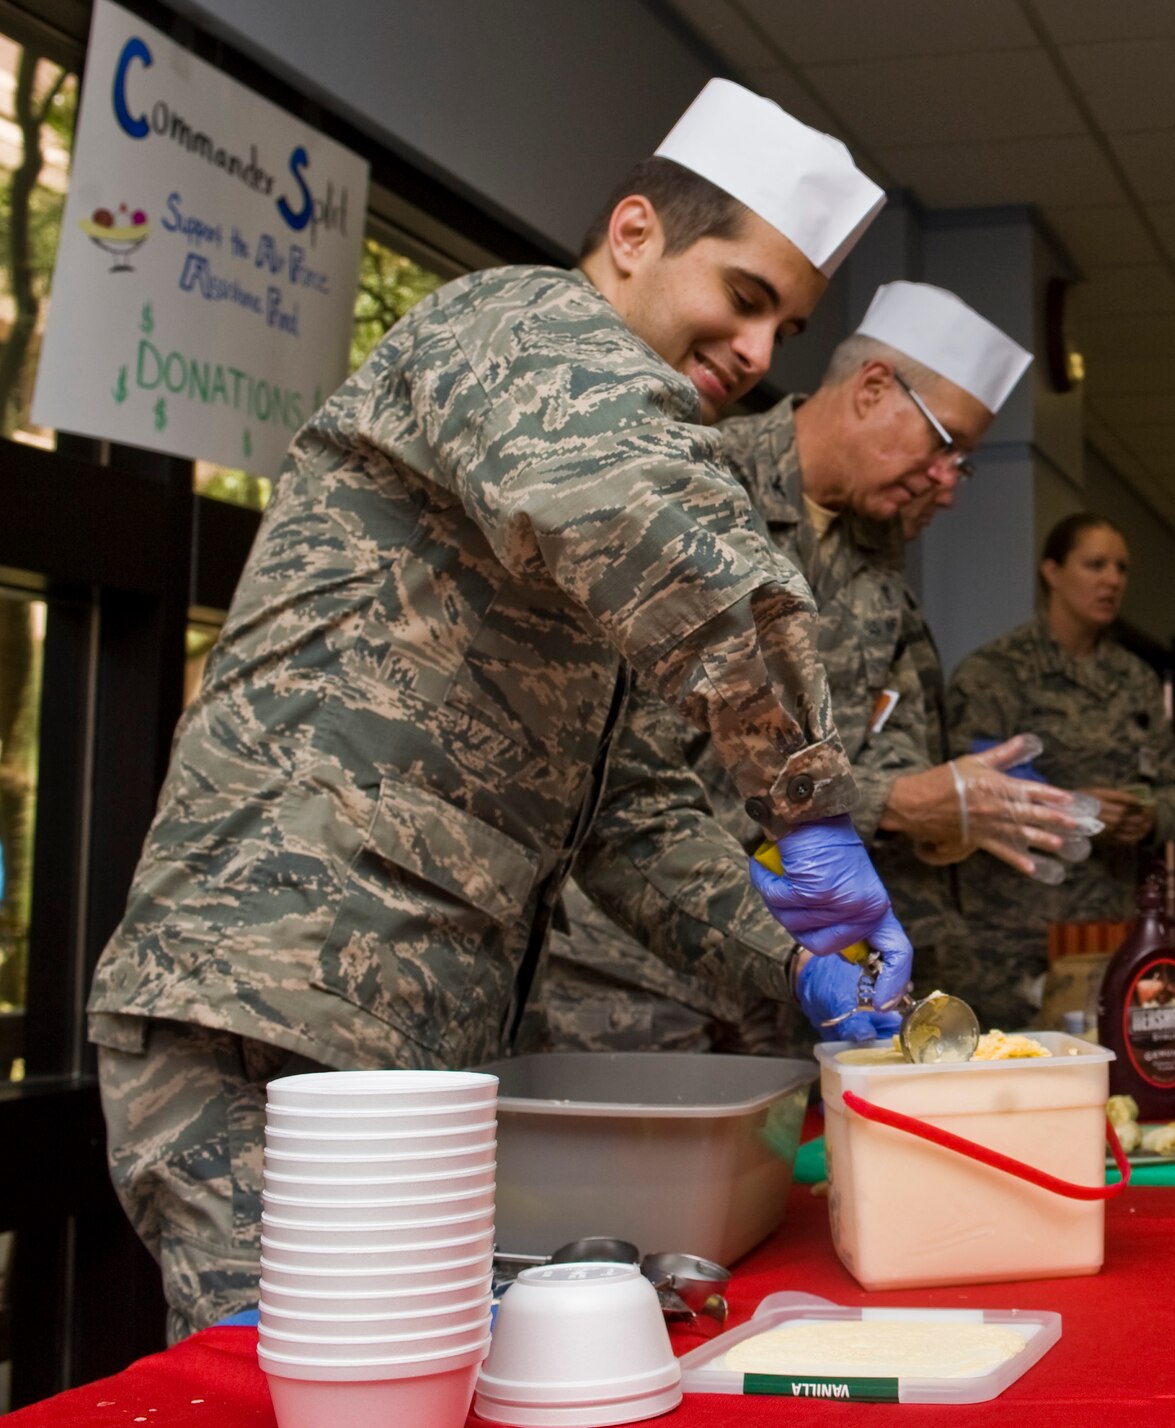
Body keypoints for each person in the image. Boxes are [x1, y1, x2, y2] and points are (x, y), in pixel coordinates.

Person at [87, 79, 904, 1340]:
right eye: (744, 299)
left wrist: (795, 956)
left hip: (409, 1050)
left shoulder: (579, 472)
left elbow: (628, 813)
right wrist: (809, 807)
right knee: (318, 1392)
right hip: (275, 1013)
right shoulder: (518, 328)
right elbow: (662, 528)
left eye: (784, 331)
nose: (756, 356)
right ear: (633, 236)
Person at [525, 282, 1097, 1055]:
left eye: (966, 464)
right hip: (630, 982)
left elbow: (888, 738)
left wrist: (949, 813)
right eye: (945, 447)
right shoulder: (697, 487)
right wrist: (892, 802)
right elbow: (644, 770)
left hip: (785, 993)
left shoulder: (878, 564)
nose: (950, 484)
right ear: (871, 390)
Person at [948, 514, 1175, 1029]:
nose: (1112, 580)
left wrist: (1149, 820)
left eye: (1121, 568)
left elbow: (1172, 788)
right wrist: (1079, 810)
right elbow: (970, 798)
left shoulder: (1138, 682)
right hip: (1014, 932)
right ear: (1052, 571)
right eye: (1095, 564)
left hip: (1109, 928)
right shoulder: (994, 673)